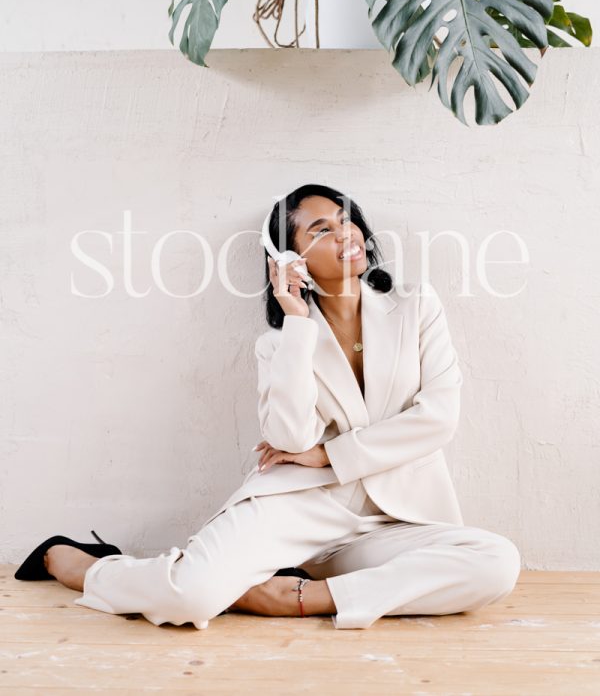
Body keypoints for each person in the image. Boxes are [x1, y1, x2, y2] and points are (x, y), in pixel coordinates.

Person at [15, 183, 521, 630]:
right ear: (288, 258)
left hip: (392, 519)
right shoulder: (279, 343)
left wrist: (331, 455)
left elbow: (438, 418)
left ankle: (294, 597)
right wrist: (297, 319)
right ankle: (84, 565)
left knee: (496, 561)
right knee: (191, 596)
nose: (345, 235)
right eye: (321, 229)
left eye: (347, 222)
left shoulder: (416, 306)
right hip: (303, 504)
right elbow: (291, 440)